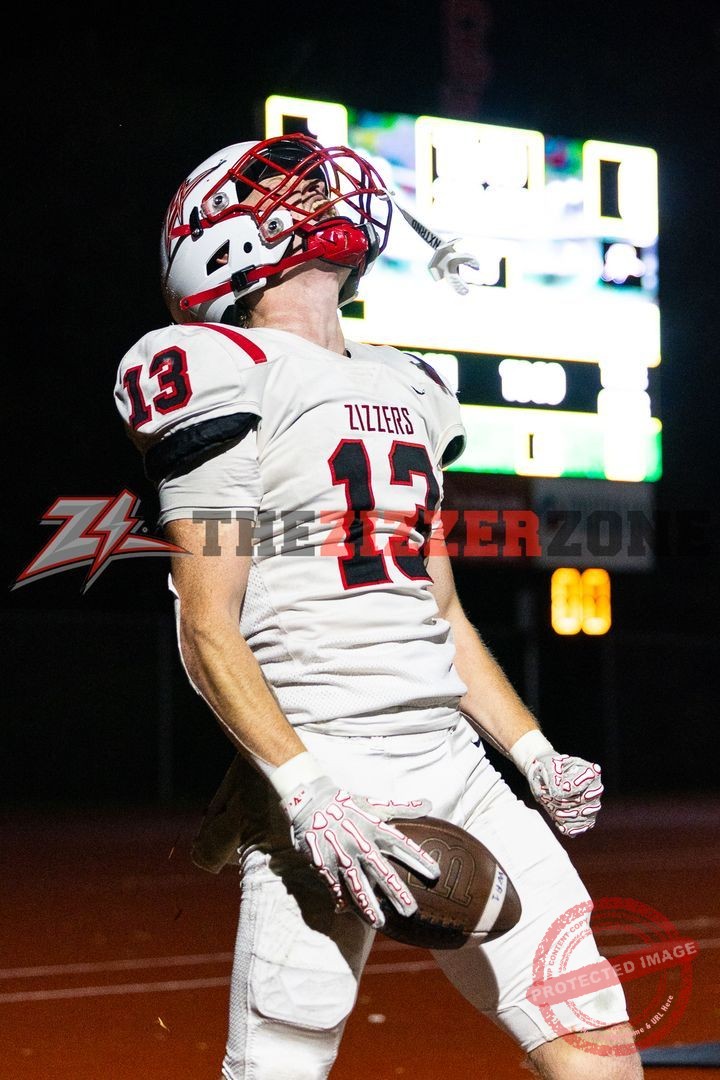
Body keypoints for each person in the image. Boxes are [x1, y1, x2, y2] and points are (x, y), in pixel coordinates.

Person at [114, 133, 642, 1079]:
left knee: (591, 1026)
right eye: (275, 185)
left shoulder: (412, 382)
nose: (318, 190)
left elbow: (440, 612)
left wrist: (532, 752)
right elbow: (206, 624)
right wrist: (304, 789)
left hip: (457, 764)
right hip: (329, 769)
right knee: (281, 1063)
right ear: (213, 240)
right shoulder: (220, 367)